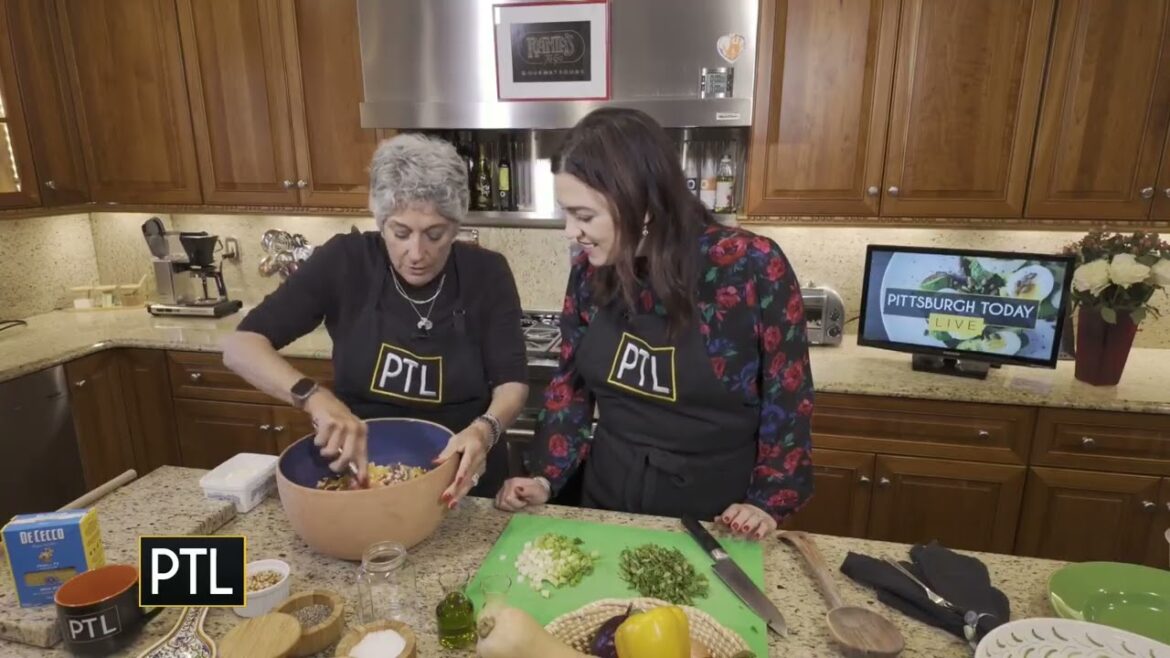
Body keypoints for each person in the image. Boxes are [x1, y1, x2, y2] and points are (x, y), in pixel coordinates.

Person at [495, 108, 814, 539]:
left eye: (584, 216)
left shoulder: (750, 266)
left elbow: (788, 398)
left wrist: (765, 502)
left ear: (641, 202)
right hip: (608, 504)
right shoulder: (592, 271)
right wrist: (544, 478)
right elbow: (570, 386)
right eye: (567, 214)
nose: (571, 231)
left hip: (716, 520)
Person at [223, 133, 529, 506]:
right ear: (381, 221)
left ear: (456, 225)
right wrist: (315, 398)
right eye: (400, 233)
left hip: (464, 486)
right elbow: (241, 346)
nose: (417, 253)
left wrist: (486, 428)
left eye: (435, 234)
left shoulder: (487, 273)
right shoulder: (345, 262)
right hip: (361, 479)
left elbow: (512, 383)